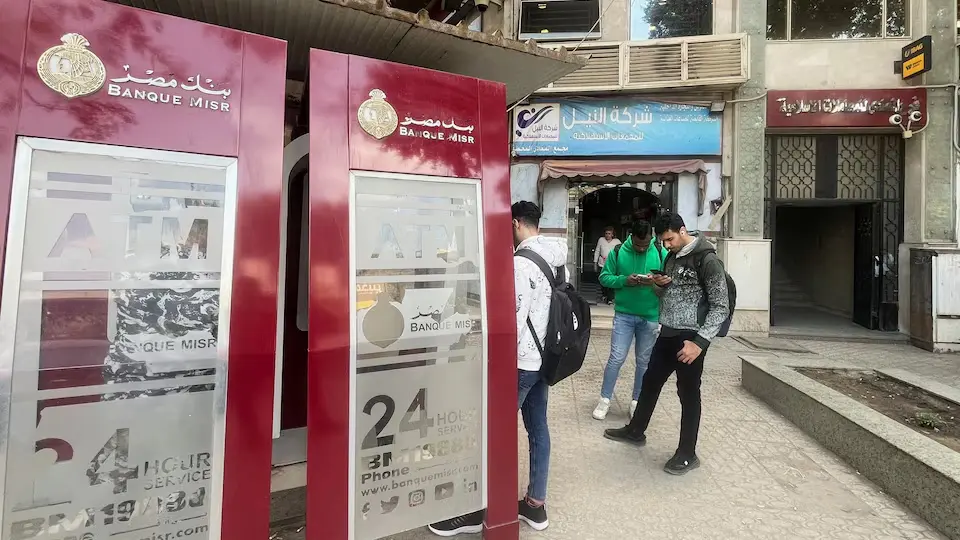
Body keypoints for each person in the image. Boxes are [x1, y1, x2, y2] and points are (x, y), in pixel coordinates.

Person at [428, 201, 565, 536]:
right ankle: (535, 505)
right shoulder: (556, 257)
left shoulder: (521, 264)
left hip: (519, 363)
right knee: (538, 430)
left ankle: (476, 510)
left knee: (489, 434)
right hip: (544, 359)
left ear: (515, 223)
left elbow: (512, 321)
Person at [603, 212, 729, 475]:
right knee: (650, 382)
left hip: (691, 339)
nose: (667, 245)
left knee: (688, 394)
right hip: (667, 332)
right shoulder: (671, 257)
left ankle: (687, 453)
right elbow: (664, 294)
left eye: (670, 239)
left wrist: (700, 343)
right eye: (663, 241)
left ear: (682, 231)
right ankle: (636, 430)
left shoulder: (707, 259)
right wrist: (659, 285)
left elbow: (721, 307)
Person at [592, 219, 667, 421]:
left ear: (651, 238)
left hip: (650, 316)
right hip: (624, 315)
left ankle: (636, 402)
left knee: (644, 362)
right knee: (616, 358)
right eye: (638, 245)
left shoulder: (660, 252)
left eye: (646, 244)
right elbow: (604, 277)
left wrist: (657, 283)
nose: (642, 248)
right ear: (631, 237)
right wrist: (624, 280)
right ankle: (604, 399)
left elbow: (669, 282)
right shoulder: (618, 252)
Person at [593, 227, 621, 304]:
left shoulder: (617, 241)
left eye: (609, 234)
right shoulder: (601, 240)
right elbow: (597, 251)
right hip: (602, 263)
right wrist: (595, 263)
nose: (607, 235)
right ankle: (604, 295)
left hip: (612, 264)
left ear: (612, 234)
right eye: (606, 233)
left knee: (611, 280)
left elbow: (620, 252)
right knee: (602, 280)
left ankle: (610, 298)